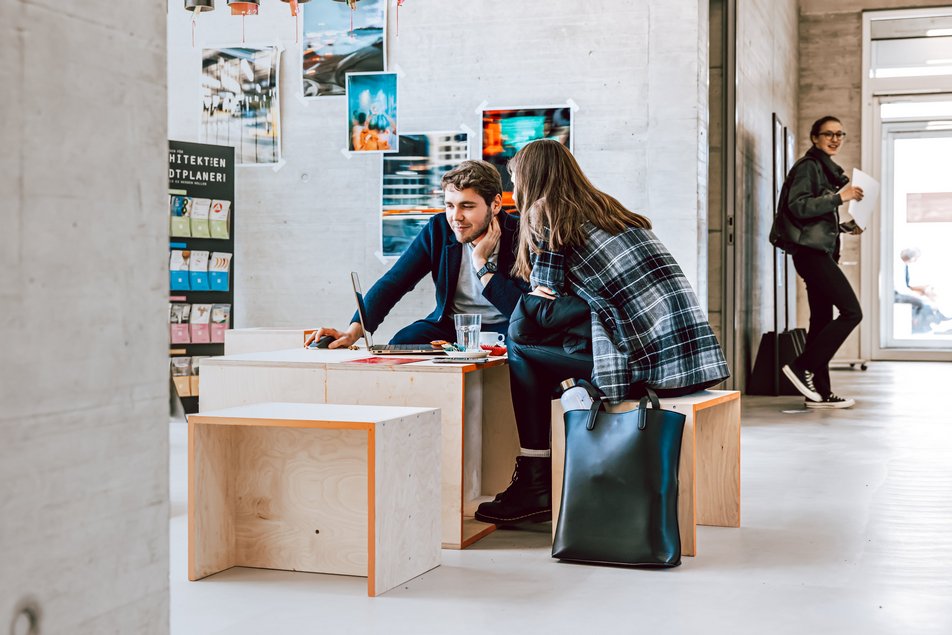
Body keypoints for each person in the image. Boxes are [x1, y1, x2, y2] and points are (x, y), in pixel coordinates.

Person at [474, 139, 730, 526]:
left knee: (520, 346)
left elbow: (538, 313)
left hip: (653, 368)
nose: (514, 190)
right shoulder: (604, 208)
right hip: (693, 360)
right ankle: (543, 464)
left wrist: (485, 270)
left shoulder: (547, 212)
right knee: (542, 334)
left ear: (529, 178)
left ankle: (535, 480)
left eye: (514, 179)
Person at [306, 160, 530, 348]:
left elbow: (519, 309)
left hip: (507, 327)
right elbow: (395, 282)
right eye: (450, 206)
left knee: (522, 351)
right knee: (401, 343)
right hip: (451, 325)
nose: (456, 217)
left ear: (496, 204)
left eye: (467, 206)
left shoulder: (520, 234)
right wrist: (353, 332)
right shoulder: (440, 229)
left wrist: (481, 263)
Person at [770, 115, 865, 409]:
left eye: (840, 134)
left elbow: (817, 221)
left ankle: (820, 392)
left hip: (818, 251)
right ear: (814, 138)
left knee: (822, 320)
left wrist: (848, 226)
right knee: (852, 312)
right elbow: (798, 207)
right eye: (828, 134)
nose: (835, 139)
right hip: (811, 255)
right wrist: (840, 198)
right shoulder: (809, 167)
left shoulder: (823, 170)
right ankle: (802, 366)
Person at [894, 247, 951, 334]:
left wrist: (922, 289)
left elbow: (906, 286)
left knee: (928, 298)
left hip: (901, 292)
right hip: (896, 295)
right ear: (912, 257)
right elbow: (902, 289)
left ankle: (939, 318)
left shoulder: (904, 266)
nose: (915, 260)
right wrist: (919, 294)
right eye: (916, 258)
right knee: (922, 303)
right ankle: (926, 325)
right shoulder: (898, 266)